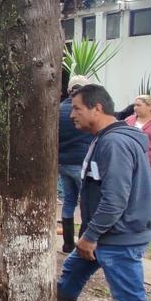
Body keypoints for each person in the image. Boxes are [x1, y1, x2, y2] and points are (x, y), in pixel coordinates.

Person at [57, 84, 151, 301]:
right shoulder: (102, 138)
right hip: (105, 233)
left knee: (130, 297)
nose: (72, 114)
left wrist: (90, 235)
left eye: (77, 108)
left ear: (97, 108)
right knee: (71, 274)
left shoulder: (114, 143)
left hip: (117, 236)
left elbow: (115, 198)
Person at [57, 75, 94, 254]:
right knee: (87, 203)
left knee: (68, 201)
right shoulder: (86, 111)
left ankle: (67, 244)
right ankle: (83, 244)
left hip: (62, 162)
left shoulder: (58, 109)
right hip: (81, 163)